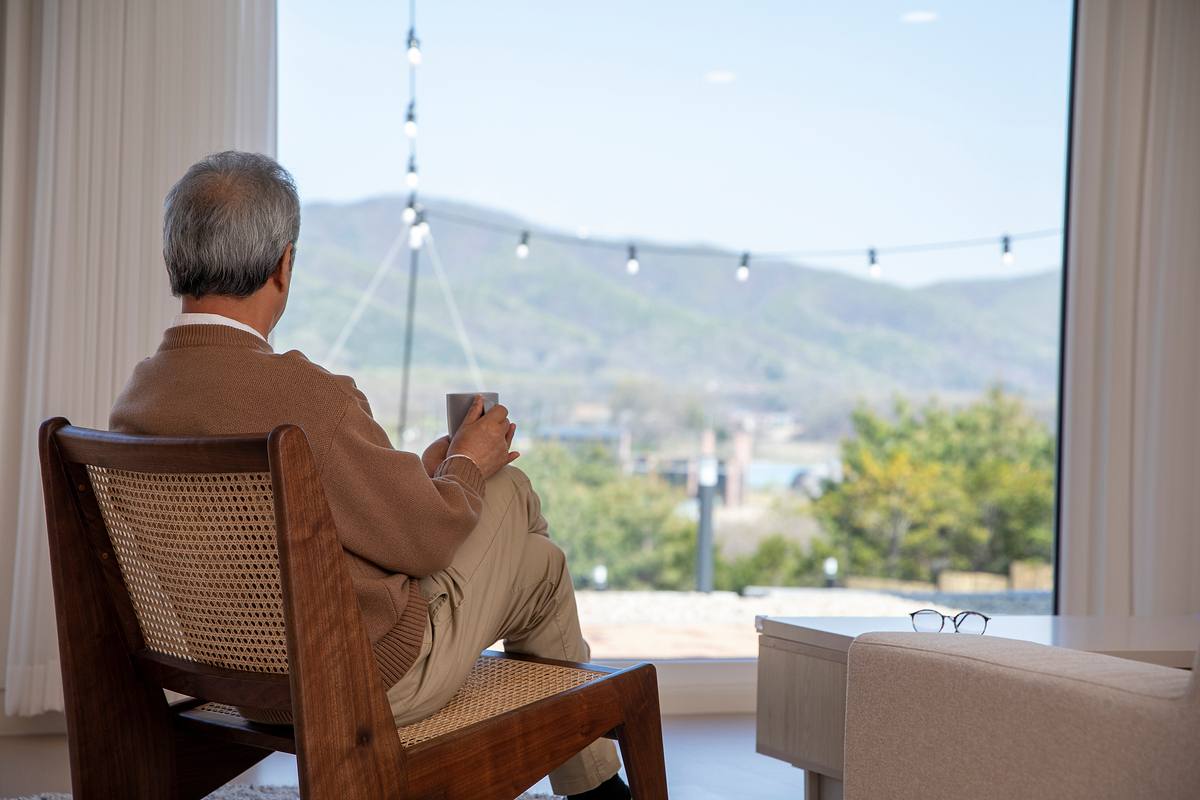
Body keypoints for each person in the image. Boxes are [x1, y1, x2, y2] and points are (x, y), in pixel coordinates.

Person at [109, 150, 629, 800]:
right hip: (364, 683)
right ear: (284, 265)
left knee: (538, 564)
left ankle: (595, 789)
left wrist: (433, 475)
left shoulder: (136, 403)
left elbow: (290, 523)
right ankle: (592, 788)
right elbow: (424, 544)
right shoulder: (307, 398)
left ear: (173, 260)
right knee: (513, 496)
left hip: (239, 684)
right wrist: (469, 464)